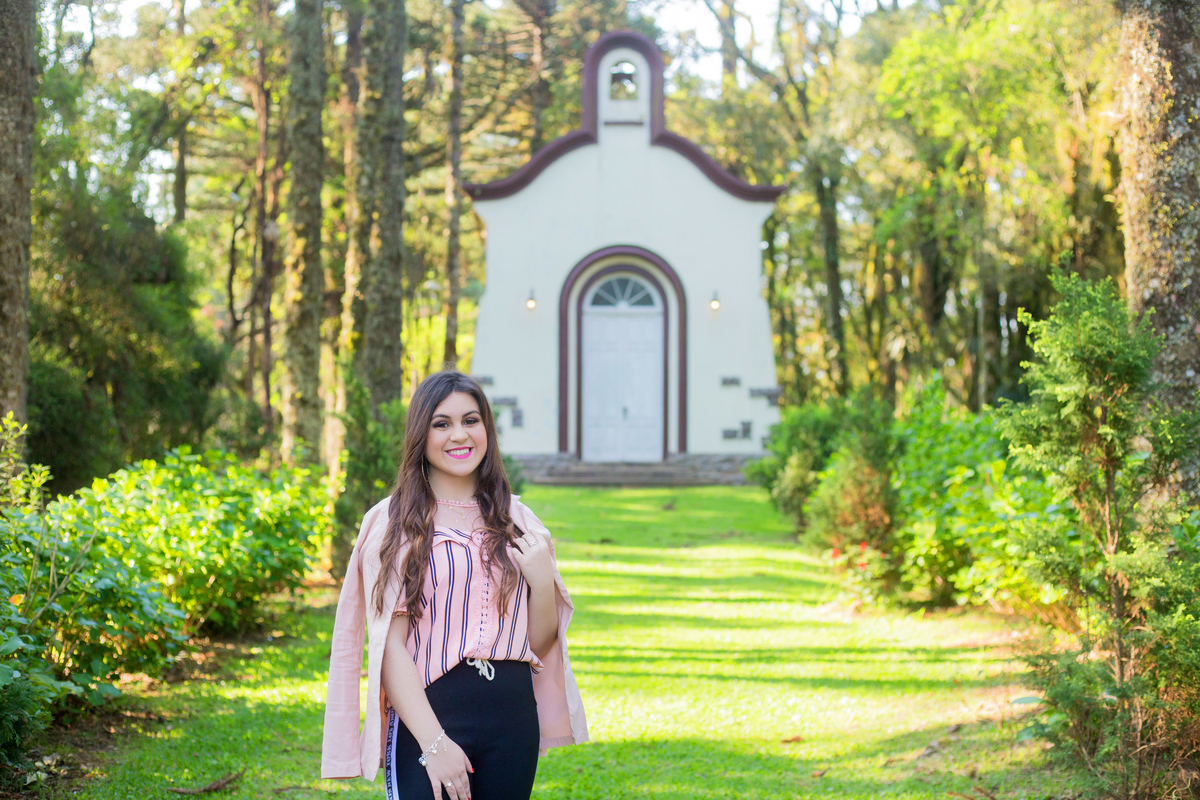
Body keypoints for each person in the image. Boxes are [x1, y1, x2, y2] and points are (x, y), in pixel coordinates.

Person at [320, 371, 588, 800]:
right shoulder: (393, 522)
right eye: (441, 423)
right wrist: (434, 744)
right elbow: (389, 646)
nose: (459, 435)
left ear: (487, 429)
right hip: (430, 717)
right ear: (420, 435)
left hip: (513, 720)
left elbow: (538, 642)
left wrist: (540, 582)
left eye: (471, 420)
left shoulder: (519, 521)